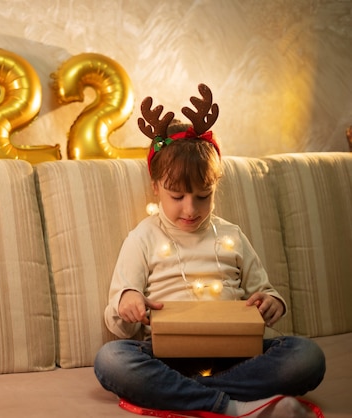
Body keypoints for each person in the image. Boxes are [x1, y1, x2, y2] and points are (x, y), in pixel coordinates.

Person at [93, 85, 325, 418]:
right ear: (156, 187)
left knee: (307, 356)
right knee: (112, 359)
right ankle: (236, 405)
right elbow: (119, 325)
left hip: (235, 354)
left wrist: (271, 302)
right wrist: (128, 301)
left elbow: (264, 293)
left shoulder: (231, 235)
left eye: (203, 196)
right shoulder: (142, 237)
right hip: (166, 355)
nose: (190, 209)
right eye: (177, 197)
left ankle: (191, 396)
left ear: (215, 187)